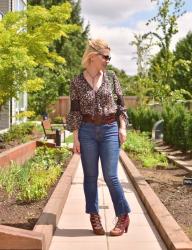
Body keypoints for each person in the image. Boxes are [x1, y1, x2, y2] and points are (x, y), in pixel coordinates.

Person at [66, 39, 131, 236]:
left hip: (110, 128)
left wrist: (122, 127)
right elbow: (75, 111)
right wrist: (75, 138)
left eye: (109, 57)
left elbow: (121, 106)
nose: (108, 61)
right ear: (93, 57)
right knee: (90, 177)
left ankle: (123, 215)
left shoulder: (112, 78)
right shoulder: (77, 81)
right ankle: (94, 215)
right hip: (86, 131)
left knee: (111, 176)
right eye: (105, 57)